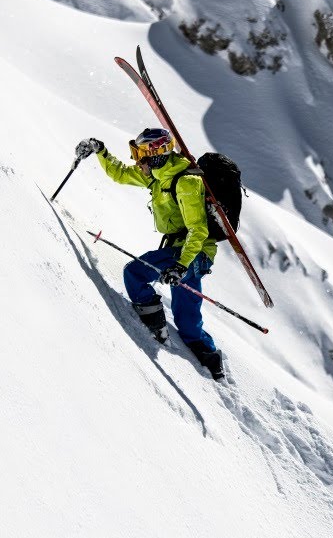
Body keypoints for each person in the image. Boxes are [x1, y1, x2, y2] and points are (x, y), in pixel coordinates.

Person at [76, 128, 224, 379]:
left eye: (140, 154)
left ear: (155, 155)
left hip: (192, 252)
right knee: (186, 318)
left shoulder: (185, 182)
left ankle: (156, 328)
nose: (136, 161)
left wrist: (181, 265)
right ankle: (212, 361)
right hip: (184, 253)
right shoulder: (157, 175)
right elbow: (121, 174)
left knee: (134, 273)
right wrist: (101, 151)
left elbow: (197, 230)